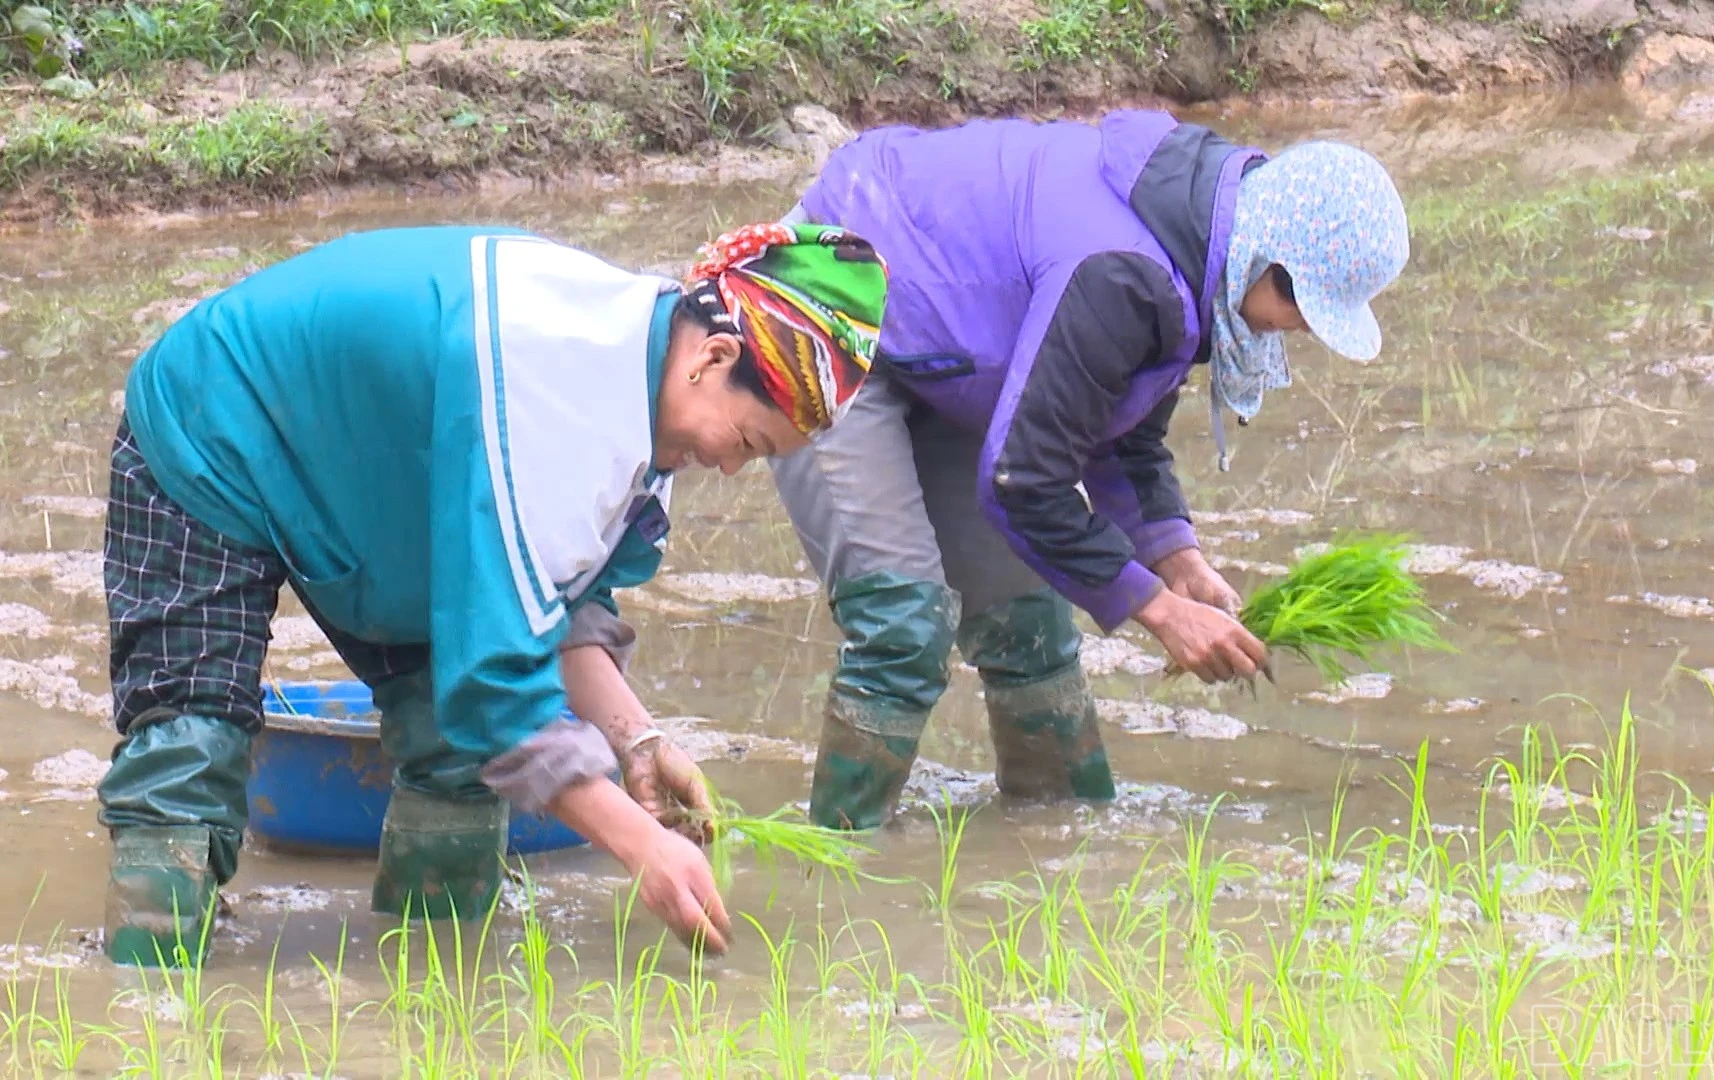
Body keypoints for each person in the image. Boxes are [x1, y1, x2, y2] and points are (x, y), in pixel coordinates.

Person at [96, 220, 890, 967]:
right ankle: (143, 1015)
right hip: (219, 419)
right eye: (747, 442)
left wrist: (636, 741)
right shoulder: (560, 379)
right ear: (714, 358)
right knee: (189, 747)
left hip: (385, 475)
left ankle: (434, 991)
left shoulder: (651, 425)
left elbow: (552, 613)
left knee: (454, 746)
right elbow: (498, 692)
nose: (729, 467)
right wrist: (641, 845)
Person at [769, 110, 1410, 830]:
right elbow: (1025, 481)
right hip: (829, 302)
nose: (1296, 330)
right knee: (904, 623)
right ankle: (838, 868)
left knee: (1030, 622)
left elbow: (1119, 431)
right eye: (1301, 309)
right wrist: (1160, 612)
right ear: (1270, 261)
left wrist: (1176, 556)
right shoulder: (1123, 269)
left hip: (944, 346)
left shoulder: (1197, 249)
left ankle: (1059, 835)